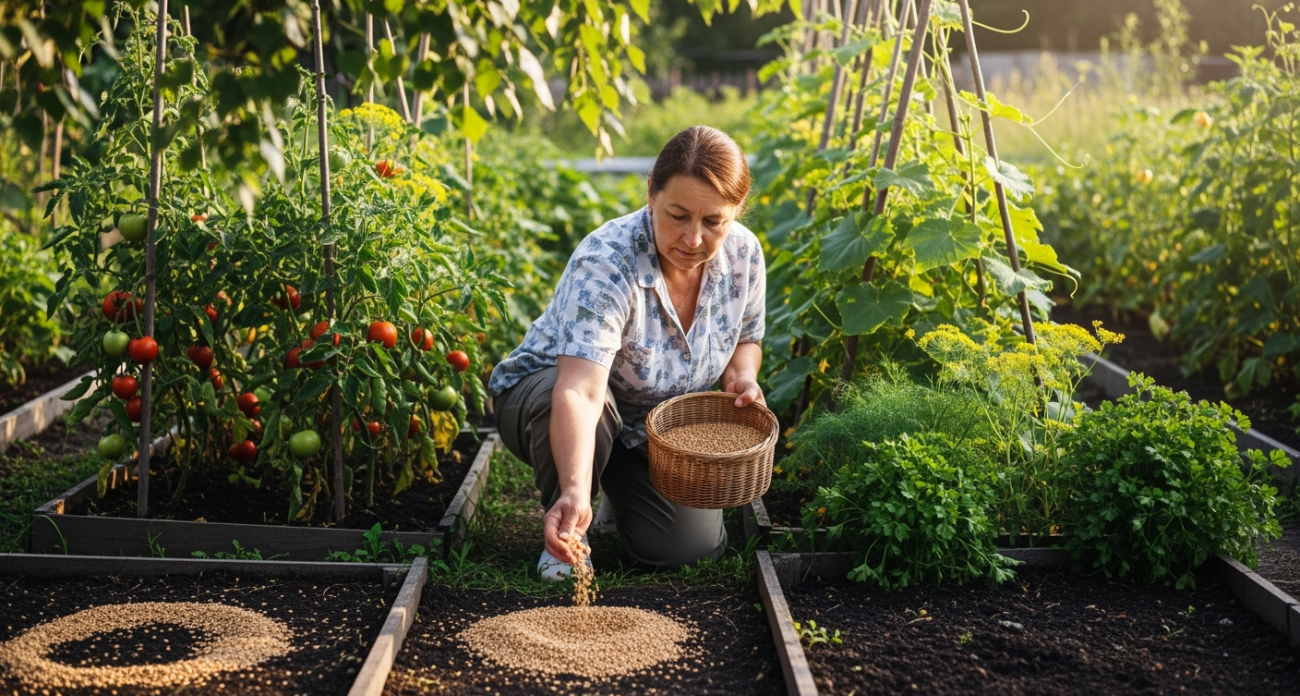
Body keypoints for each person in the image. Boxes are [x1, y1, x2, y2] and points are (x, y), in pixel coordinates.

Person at [488, 125, 766, 579]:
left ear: (736, 212)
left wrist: (743, 378)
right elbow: (579, 390)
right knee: (593, 410)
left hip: (655, 426)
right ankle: (569, 524)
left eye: (713, 221)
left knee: (687, 551)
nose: (693, 238)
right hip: (552, 395)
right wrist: (576, 489)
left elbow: (746, 339)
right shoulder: (607, 261)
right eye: (677, 215)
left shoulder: (744, 257)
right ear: (651, 194)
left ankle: (617, 485)